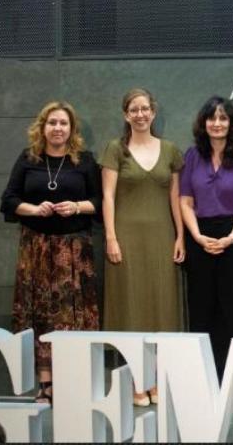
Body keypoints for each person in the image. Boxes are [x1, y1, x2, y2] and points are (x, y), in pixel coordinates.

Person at [0, 101, 101, 404]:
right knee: (40, 315)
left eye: (64, 123)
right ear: (42, 127)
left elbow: (100, 201)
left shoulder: (84, 160)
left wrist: (77, 206)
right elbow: (8, 200)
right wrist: (33, 209)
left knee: (74, 316)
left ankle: (74, 381)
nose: (58, 128)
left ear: (72, 129)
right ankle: (46, 385)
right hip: (37, 249)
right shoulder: (28, 158)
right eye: (52, 123)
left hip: (75, 251)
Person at [100, 87, 185, 407]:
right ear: (126, 114)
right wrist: (110, 237)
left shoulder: (171, 150)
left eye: (145, 109)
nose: (140, 114)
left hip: (162, 237)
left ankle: (158, 381)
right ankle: (138, 381)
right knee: (132, 309)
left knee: (161, 309)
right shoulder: (114, 149)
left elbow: (174, 197)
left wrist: (180, 236)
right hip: (126, 239)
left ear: (153, 111)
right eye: (134, 109)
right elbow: (107, 196)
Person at [179, 96, 233, 379]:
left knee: (232, 308)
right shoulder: (192, 156)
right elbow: (185, 202)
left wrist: (231, 237)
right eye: (212, 118)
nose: (217, 123)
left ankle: (230, 376)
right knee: (201, 308)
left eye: (223, 118)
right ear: (204, 123)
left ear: (231, 123)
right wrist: (198, 237)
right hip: (199, 237)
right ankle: (202, 377)